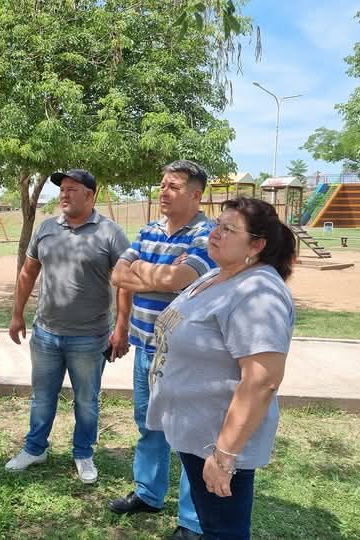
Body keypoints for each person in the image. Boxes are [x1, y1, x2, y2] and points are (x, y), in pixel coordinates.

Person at [146, 197, 296, 540]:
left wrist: (225, 455)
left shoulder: (258, 293)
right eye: (217, 224)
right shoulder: (217, 275)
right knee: (213, 524)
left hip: (219, 442)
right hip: (196, 434)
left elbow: (262, 381)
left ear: (256, 245)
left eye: (229, 229)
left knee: (223, 531)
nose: (216, 233)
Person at [108, 160, 216, 540]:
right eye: (162, 185)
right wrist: (161, 276)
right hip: (143, 346)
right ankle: (149, 493)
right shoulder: (149, 230)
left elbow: (182, 281)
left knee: (188, 434)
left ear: (195, 194)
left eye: (172, 187)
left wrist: (148, 274)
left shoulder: (208, 234)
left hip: (184, 354)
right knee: (148, 425)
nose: (163, 192)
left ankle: (192, 520)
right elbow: (117, 274)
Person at [5, 169, 131, 484]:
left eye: (72, 189)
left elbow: (126, 283)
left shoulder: (110, 233)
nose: (64, 194)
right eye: (62, 189)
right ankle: (35, 448)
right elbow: (27, 272)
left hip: (90, 338)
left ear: (90, 195)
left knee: (87, 400)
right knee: (41, 396)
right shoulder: (46, 229)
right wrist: (17, 313)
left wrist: (121, 326)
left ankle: (83, 453)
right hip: (46, 334)